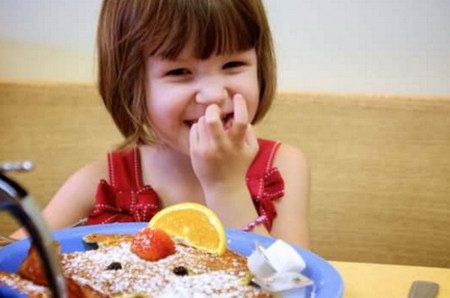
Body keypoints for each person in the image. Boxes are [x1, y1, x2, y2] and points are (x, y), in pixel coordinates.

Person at [12, 0, 310, 248]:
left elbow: (295, 284)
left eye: (233, 65)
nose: (214, 95)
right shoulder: (100, 183)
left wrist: (226, 187)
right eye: (180, 71)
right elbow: (14, 255)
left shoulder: (282, 168)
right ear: (131, 84)